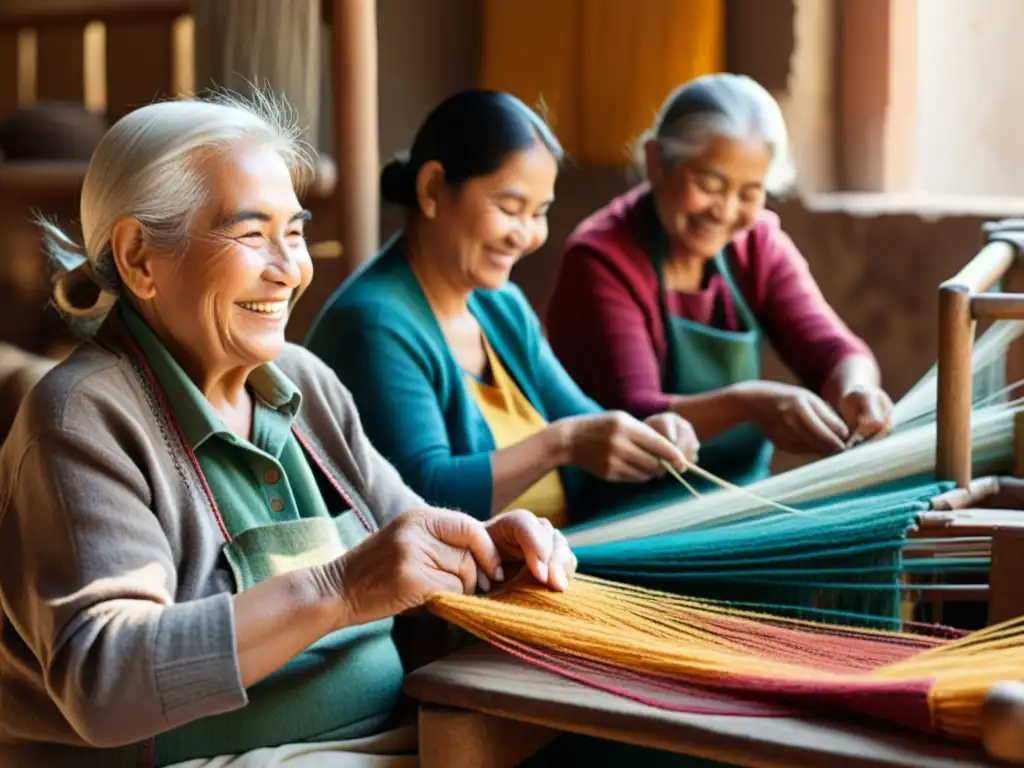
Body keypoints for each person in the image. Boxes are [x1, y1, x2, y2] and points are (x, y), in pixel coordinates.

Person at [0, 94, 577, 768]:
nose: (289, 269)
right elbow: (106, 681)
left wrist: (486, 552)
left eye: (294, 232)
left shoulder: (303, 383)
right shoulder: (84, 418)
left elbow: (410, 538)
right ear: (139, 258)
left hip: (388, 739)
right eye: (251, 234)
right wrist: (338, 590)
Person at [305, 90, 700, 528]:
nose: (526, 234)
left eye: (539, 213)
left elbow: (585, 422)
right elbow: (422, 498)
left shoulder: (501, 306)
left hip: (559, 558)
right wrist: (562, 443)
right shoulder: (374, 324)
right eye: (510, 208)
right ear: (434, 189)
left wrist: (647, 438)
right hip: (454, 587)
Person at [546, 73, 894, 488]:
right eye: (710, 185)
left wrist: (856, 389)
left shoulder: (757, 243)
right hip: (621, 506)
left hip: (738, 497)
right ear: (656, 162)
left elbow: (833, 349)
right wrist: (749, 405)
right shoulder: (601, 260)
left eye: (749, 193)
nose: (726, 211)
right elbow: (636, 415)